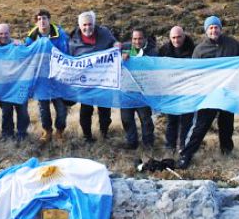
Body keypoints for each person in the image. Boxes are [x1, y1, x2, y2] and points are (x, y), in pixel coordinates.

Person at [177, 16, 239, 169]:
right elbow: (194, 73)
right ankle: (186, 155)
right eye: (211, 28)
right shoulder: (200, 50)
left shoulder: (232, 44)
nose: (214, 30)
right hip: (208, 95)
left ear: (220, 29)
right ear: (206, 30)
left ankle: (226, 152)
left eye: (216, 27)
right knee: (201, 126)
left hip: (228, 93)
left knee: (227, 125)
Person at [68, 10, 120, 143]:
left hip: (104, 81)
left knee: (105, 111)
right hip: (86, 83)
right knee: (86, 111)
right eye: (84, 25)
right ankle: (87, 136)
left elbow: (114, 43)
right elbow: (69, 60)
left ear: (94, 24)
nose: (87, 27)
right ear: (80, 25)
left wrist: (116, 45)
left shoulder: (104, 33)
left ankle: (104, 133)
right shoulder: (73, 40)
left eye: (90, 24)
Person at [24, 9, 70, 144]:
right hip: (41, 78)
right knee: (43, 107)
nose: (42, 21)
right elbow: (27, 53)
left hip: (58, 77)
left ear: (49, 19)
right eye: (38, 19)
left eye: (44, 18)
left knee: (61, 107)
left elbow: (66, 53)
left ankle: (60, 131)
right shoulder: (31, 37)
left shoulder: (60, 35)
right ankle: (47, 130)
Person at [158, 26, 196, 153]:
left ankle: (183, 145)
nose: (176, 40)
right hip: (171, 92)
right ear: (170, 38)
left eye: (179, 37)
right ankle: (170, 145)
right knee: (172, 120)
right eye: (173, 37)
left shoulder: (193, 49)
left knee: (186, 121)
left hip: (188, 92)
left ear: (184, 36)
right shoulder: (164, 50)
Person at [120, 28, 157, 149]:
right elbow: (112, 52)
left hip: (143, 92)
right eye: (134, 39)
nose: (137, 41)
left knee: (145, 119)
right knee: (126, 119)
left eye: (140, 38)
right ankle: (132, 143)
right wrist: (121, 56)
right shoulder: (125, 48)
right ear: (131, 39)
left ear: (144, 39)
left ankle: (148, 143)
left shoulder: (152, 51)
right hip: (126, 91)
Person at [0, 23, 29, 141]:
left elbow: (27, 57)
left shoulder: (17, 45)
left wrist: (21, 46)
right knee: (6, 112)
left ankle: (22, 134)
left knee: (22, 111)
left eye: (6, 33)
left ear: (10, 33)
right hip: (3, 87)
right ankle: (7, 135)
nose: (3, 36)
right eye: (1, 33)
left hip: (19, 85)